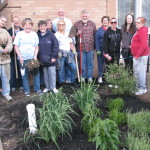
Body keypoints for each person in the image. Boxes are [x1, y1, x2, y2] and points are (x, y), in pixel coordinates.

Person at [14, 18, 41, 96]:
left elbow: (36, 46)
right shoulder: (19, 34)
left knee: (36, 74)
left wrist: (35, 56)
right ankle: (27, 91)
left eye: (29, 25)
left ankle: (37, 89)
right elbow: (16, 46)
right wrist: (20, 57)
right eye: (26, 25)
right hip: (22, 59)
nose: (28, 26)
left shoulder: (34, 34)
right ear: (23, 26)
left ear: (31, 26)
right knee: (24, 75)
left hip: (33, 58)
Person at [74, 10, 96, 82]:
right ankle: (83, 77)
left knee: (90, 64)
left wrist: (95, 47)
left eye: (86, 16)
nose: (85, 17)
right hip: (81, 48)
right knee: (82, 64)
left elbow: (94, 35)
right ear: (81, 16)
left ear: (88, 17)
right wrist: (77, 33)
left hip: (90, 47)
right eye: (83, 16)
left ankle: (89, 77)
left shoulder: (92, 24)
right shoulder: (76, 24)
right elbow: (73, 36)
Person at [37, 20, 59, 93]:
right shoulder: (37, 35)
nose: (42, 28)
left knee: (52, 74)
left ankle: (53, 88)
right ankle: (48, 87)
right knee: (45, 75)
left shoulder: (51, 35)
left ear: (46, 27)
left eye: (44, 26)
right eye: (40, 26)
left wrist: (54, 57)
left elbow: (56, 46)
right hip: (42, 59)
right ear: (39, 27)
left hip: (51, 59)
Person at [131, 17, 150, 95]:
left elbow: (144, 44)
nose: (136, 24)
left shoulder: (142, 31)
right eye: (136, 22)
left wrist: (138, 55)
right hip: (137, 55)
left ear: (142, 23)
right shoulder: (138, 30)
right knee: (137, 72)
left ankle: (142, 88)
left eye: (138, 22)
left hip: (141, 56)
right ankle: (138, 87)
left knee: (141, 72)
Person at [55, 20, 77, 85]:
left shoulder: (68, 33)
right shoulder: (56, 35)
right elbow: (55, 45)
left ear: (65, 26)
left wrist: (74, 51)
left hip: (68, 53)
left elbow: (71, 44)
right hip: (60, 54)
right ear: (57, 26)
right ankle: (61, 83)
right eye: (59, 24)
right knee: (60, 69)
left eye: (62, 24)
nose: (61, 26)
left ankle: (72, 81)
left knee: (73, 67)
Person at [8, 16, 23, 92]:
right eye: (14, 21)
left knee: (21, 70)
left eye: (17, 20)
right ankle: (13, 85)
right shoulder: (9, 31)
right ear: (12, 23)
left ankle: (21, 85)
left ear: (19, 22)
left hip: (21, 54)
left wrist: (16, 38)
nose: (16, 22)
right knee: (13, 70)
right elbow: (6, 42)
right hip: (12, 54)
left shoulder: (22, 31)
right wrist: (11, 38)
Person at [0, 15, 13, 101]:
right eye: (2, 20)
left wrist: (7, 49)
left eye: (5, 21)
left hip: (5, 59)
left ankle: (6, 93)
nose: (3, 22)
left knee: (6, 77)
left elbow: (10, 42)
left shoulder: (5, 32)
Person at [95, 16, 110, 83]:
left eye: (106, 20)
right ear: (102, 22)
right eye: (104, 20)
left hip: (109, 51)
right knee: (100, 64)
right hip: (100, 50)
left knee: (108, 64)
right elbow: (96, 40)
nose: (105, 21)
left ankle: (108, 77)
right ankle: (100, 77)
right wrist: (97, 49)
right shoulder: (99, 30)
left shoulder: (110, 30)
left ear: (108, 21)